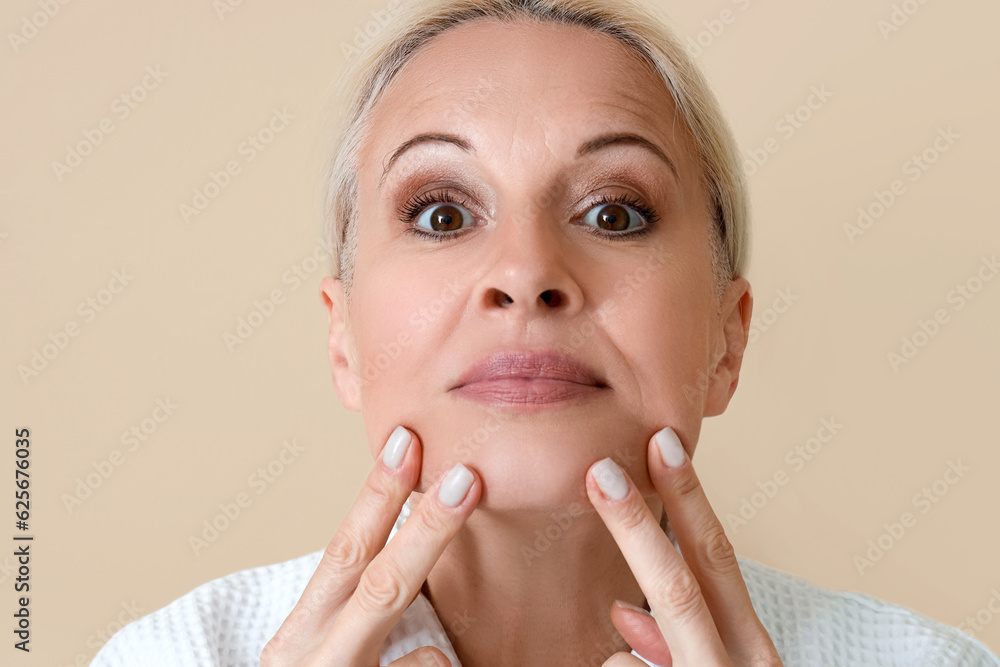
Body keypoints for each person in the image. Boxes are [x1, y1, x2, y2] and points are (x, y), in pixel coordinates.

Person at [91, 0, 1000, 665]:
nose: (526, 272)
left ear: (727, 341)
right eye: (443, 215)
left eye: (614, 213)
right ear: (343, 344)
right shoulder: (176, 653)